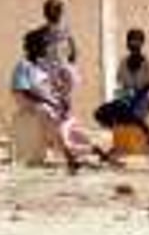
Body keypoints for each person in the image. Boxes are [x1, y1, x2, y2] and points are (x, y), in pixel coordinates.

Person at [12, 29, 111, 172]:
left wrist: (61, 99)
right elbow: (23, 90)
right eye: (44, 44)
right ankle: (71, 155)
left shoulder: (44, 65)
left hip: (52, 104)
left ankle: (91, 150)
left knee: (71, 125)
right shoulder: (23, 66)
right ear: (33, 46)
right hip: (35, 104)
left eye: (46, 44)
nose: (46, 48)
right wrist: (49, 101)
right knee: (53, 122)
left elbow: (55, 87)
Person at [94, 28, 149, 150]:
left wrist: (136, 97)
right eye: (131, 41)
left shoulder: (148, 63)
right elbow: (122, 85)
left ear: (142, 43)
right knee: (100, 113)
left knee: (131, 113)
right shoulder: (123, 62)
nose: (133, 44)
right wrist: (123, 97)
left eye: (136, 41)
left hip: (143, 99)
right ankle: (120, 137)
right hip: (127, 98)